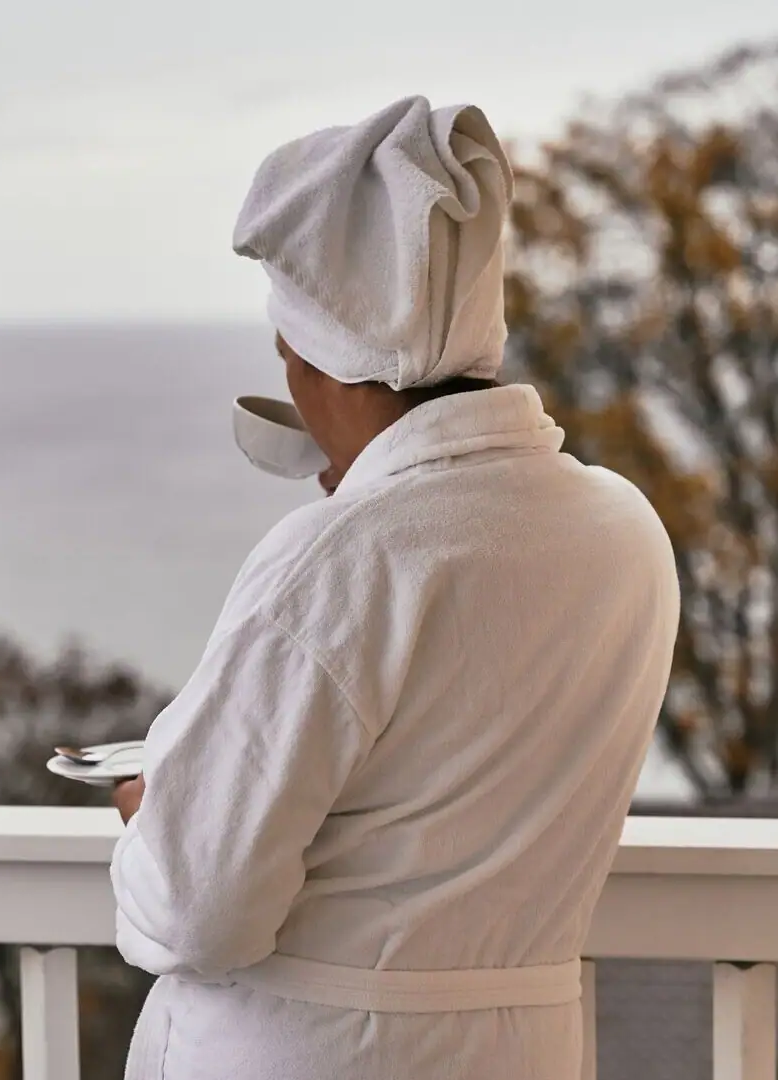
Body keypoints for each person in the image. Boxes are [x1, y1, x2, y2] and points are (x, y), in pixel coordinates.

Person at [109, 96, 679, 1080]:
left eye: (287, 363)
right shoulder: (622, 532)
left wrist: (152, 813)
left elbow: (201, 910)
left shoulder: (347, 557)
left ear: (320, 365)